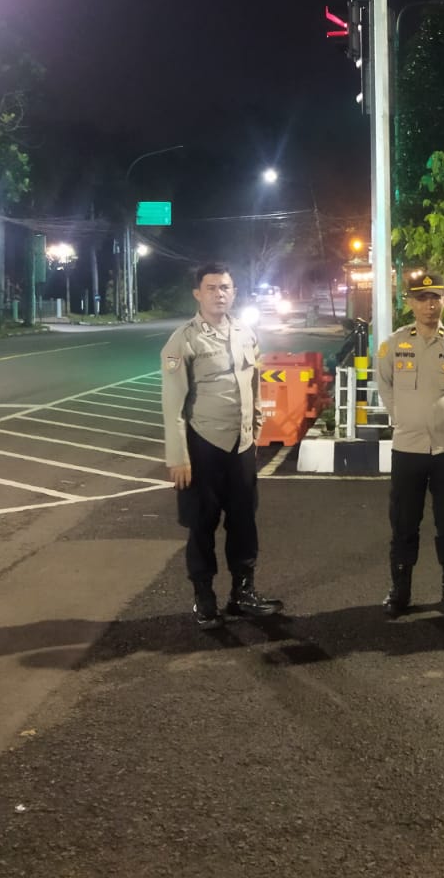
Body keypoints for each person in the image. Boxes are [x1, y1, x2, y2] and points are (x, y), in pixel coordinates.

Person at [161, 262, 284, 629]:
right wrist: (178, 456)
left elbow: (255, 384)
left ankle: (243, 593)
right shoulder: (184, 340)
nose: (219, 294)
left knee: (244, 521)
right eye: (212, 288)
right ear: (197, 294)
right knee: (202, 524)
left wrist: (256, 430)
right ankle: (204, 597)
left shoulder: (245, 333)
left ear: (234, 293)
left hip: (241, 446)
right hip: (204, 445)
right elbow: (173, 404)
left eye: (225, 287)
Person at [374, 271, 444, 617]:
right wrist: (407, 418)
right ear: (410, 303)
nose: (429, 305)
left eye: (435, 298)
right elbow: (386, 387)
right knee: (404, 523)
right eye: (422, 298)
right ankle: (399, 591)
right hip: (408, 449)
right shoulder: (393, 344)